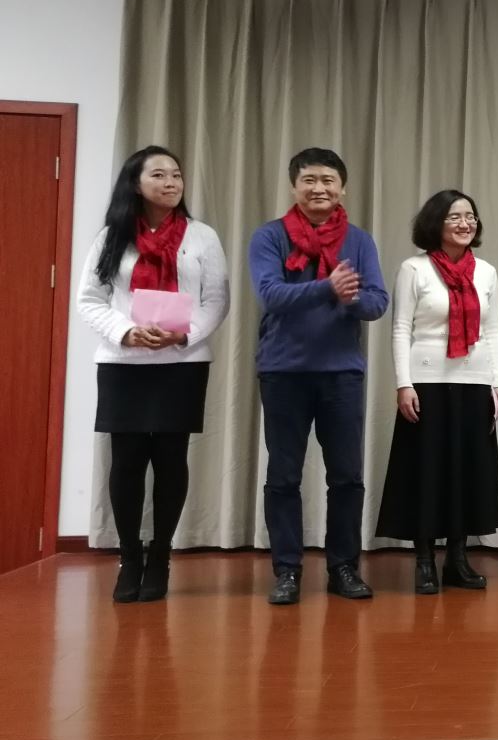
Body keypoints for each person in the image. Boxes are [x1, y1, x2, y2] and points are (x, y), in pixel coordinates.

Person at [77, 146, 229, 602]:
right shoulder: (112, 237)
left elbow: (216, 300)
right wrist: (126, 332)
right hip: (123, 363)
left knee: (169, 459)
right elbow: (90, 299)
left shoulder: (202, 236)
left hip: (181, 363)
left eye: (176, 175)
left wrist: (184, 334)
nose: (171, 182)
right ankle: (130, 557)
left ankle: (160, 555)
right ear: (136, 184)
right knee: (126, 462)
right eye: (159, 175)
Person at [249, 148, 389, 606]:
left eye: (328, 180)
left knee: (347, 476)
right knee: (283, 476)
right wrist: (328, 288)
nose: (319, 188)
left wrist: (351, 299)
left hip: (341, 374)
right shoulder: (270, 236)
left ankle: (343, 567)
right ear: (294, 186)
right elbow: (270, 295)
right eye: (309, 180)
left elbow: (377, 303)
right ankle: (287, 570)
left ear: (342, 188)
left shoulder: (359, 241)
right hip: (283, 371)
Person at [377, 190, 498, 594]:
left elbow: (493, 330)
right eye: (455, 217)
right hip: (427, 382)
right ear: (436, 223)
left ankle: (458, 559)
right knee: (427, 471)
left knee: (467, 471)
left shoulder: (485, 272)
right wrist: (404, 382)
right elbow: (401, 328)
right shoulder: (414, 269)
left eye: (471, 216)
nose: (465, 224)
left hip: (475, 380)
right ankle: (423, 561)